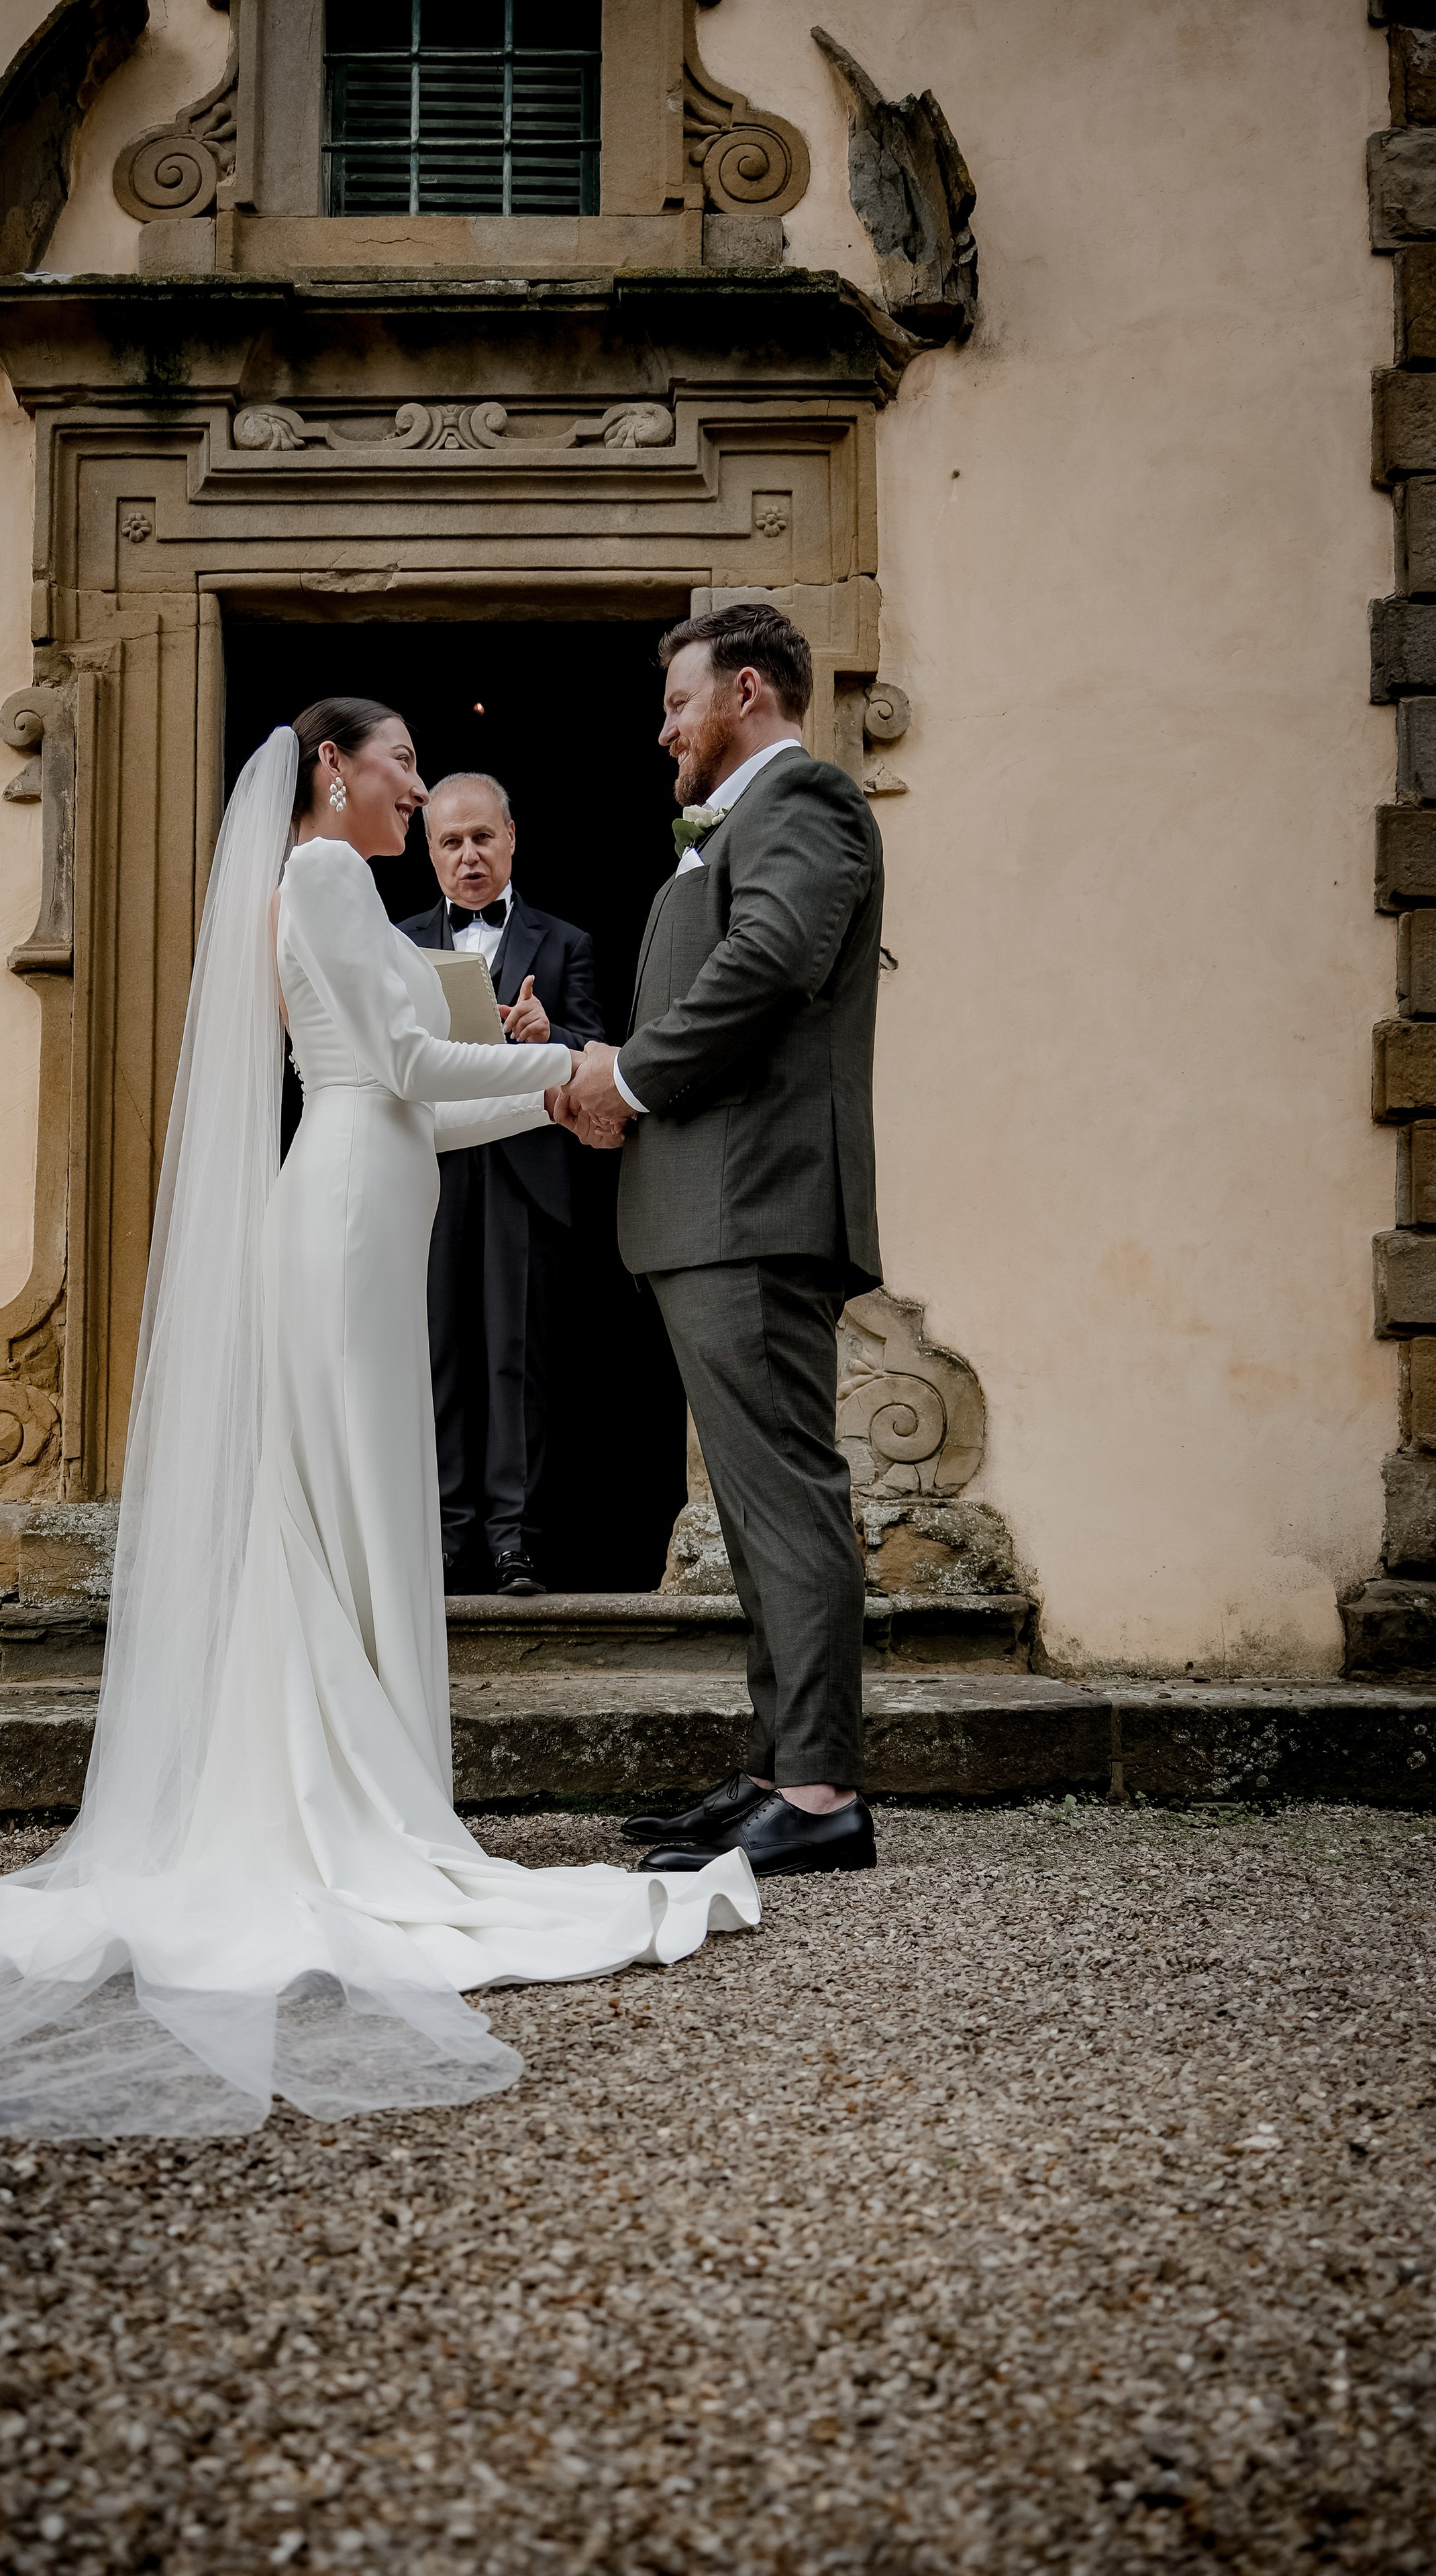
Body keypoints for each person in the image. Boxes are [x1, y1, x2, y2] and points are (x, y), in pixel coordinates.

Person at [0, 700, 756, 2141]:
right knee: (346, 1504)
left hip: (363, 1197)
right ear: (334, 770)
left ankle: (373, 1789)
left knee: (349, 1507)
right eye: (399, 765)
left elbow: (410, 1103)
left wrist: (545, 1097)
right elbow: (399, 1079)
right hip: (339, 1225)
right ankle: (355, 1809)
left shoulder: (334, 890)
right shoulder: (327, 875)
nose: (412, 792)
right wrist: (567, 1073)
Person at [555, 604, 885, 1880]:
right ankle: (780, 1764)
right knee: (758, 1510)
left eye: (679, 703)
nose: (662, 729)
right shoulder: (740, 823)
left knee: (787, 1499)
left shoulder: (805, 802)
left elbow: (768, 962)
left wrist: (628, 1085)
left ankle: (816, 1793)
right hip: (712, 1210)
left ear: (747, 691)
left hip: (754, 1205)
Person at [398, 772, 605, 1595]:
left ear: (512, 838)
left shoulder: (566, 943)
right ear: (430, 854)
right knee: (437, 1355)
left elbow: (602, 1048)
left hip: (524, 1166)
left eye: (482, 837)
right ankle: (446, 1539)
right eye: (450, 842)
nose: (469, 855)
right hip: (431, 1165)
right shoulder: (397, 939)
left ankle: (514, 1541)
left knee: (513, 1358)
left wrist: (551, 1033)